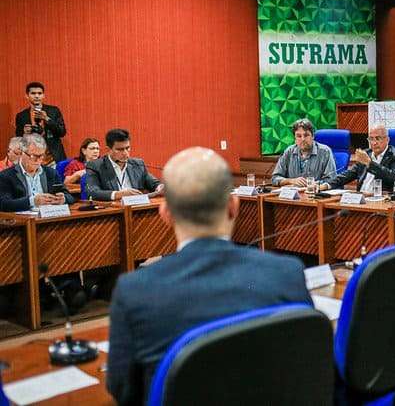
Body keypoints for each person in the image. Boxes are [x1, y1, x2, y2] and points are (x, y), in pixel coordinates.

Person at [106, 147, 312, 405]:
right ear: (234, 206)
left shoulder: (134, 289)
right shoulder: (287, 272)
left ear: (165, 214)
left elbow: (122, 390)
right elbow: (305, 368)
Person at [0, 134, 75, 212]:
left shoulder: (51, 173)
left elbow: (70, 196)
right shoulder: (6, 176)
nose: (38, 160)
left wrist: (63, 199)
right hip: (23, 221)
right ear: (22, 153)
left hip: (49, 218)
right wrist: (32, 201)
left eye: (41, 156)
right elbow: (4, 204)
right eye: (33, 156)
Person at [321, 123, 395, 193]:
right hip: (360, 199)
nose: (374, 143)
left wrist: (369, 164)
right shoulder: (366, 153)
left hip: (381, 201)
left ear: (387, 140)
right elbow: (347, 175)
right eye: (371, 139)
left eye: (378, 138)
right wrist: (325, 185)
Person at [85, 129, 163, 201]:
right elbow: (92, 193)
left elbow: (154, 183)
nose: (125, 153)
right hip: (114, 212)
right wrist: (119, 194)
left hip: (139, 209)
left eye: (127, 148)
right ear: (108, 150)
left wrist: (160, 187)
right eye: (120, 149)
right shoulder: (95, 166)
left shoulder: (137, 164)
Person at [271, 118, 336, 187]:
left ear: (313, 136)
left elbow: (332, 180)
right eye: (299, 136)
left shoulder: (325, 152)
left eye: (306, 135)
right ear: (295, 138)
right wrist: (291, 181)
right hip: (292, 195)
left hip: (315, 195)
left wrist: (316, 185)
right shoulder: (289, 151)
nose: (303, 139)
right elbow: (275, 178)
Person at [14, 82, 68, 162]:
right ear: (27, 96)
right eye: (33, 93)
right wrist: (24, 133)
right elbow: (19, 140)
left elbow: (62, 132)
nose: (36, 96)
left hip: (53, 156)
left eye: (39, 93)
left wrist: (47, 119)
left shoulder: (53, 111)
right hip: (31, 157)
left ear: (43, 95)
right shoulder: (21, 116)